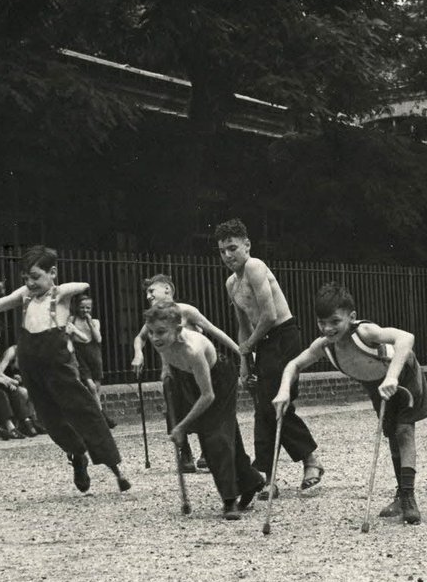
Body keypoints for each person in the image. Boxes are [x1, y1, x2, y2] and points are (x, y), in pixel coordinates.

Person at [273, 282, 427, 525]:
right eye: (322, 322)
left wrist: (392, 375)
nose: (327, 328)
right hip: (376, 383)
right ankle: (402, 494)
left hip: (402, 374)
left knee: (403, 430)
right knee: (391, 433)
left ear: (352, 317)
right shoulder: (324, 345)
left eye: (335, 322)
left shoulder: (365, 332)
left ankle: (409, 497)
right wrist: (284, 391)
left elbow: (405, 338)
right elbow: (293, 365)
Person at [0, 245, 131, 493]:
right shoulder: (24, 295)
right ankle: (77, 455)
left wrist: (56, 287)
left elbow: (82, 285)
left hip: (59, 368)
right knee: (51, 421)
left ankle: (116, 469)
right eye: (26, 278)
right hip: (32, 369)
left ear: (52, 272)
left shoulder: (59, 296)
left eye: (35, 277)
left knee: (85, 412)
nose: (30, 283)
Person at [215, 218, 323, 500]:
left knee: (270, 404)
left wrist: (249, 345)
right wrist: (244, 359)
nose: (227, 255)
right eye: (222, 251)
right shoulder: (231, 283)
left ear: (247, 245)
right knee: (265, 406)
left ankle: (301, 461)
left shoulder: (255, 266)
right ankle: (269, 475)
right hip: (262, 344)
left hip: (283, 338)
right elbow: (243, 324)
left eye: (232, 248)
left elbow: (270, 315)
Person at [144, 301, 264, 519]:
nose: (154, 338)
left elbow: (208, 396)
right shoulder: (163, 341)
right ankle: (251, 481)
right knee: (224, 434)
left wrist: (181, 426)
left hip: (219, 379)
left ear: (178, 330)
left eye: (160, 332)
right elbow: (167, 352)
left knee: (215, 438)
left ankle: (230, 501)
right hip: (190, 377)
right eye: (151, 333)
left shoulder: (193, 350)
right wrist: (167, 369)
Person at [131, 273, 240, 473]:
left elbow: (213, 329)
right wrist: (138, 354)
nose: (148, 296)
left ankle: (206, 452)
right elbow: (140, 338)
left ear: (167, 289)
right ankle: (185, 452)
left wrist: (241, 351)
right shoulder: (154, 316)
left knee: (204, 405)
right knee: (174, 406)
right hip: (174, 369)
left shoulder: (185, 310)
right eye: (147, 293)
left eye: (151, 291)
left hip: (196, 365)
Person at [0, 315, 35, 438]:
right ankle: (10, 427)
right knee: (0, 394)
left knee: (12, 389)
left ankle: (25, 422)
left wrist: (8, 380)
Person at [68, 294, 116, 428]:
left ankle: (95, 417)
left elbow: (98, 339)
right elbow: (71, 338)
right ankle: (103, 417)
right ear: (77, 307)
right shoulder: (72, 320)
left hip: (94, 355)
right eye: (82, 307)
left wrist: (90, 323)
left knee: (96, 389)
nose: (85, 310)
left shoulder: (95, 322)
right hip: (80, 355)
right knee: (91, 387)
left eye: (88, 308)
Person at [0, 343, 46, 435]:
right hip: (4, 380)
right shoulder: (12, 352)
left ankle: (34, 421)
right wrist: (11, 380)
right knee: (24, 392)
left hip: (16, 381)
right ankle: (26, 422)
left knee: (34, 390)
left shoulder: (31, 353)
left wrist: (21, 379)